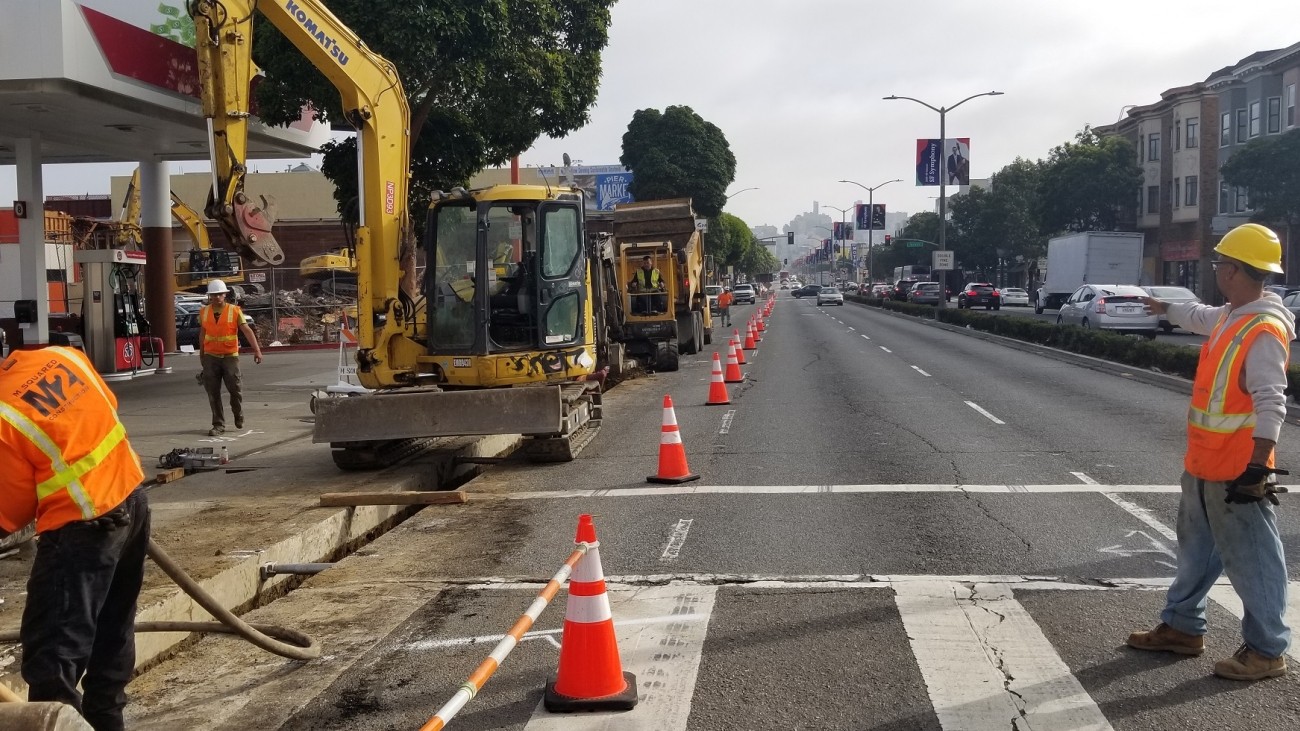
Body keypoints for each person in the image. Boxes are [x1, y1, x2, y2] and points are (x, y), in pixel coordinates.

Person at [1129, 223, 1295, 681]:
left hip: (1237, 469)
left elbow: (1271, 400)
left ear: (1236, 272)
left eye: (1221, 263)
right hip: (1204, 464)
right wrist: (1162, 306)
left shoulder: (1262, 327)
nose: (1217, 269)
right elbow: (1197, 316)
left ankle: (1267, 651)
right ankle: (1182, 628)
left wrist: (1258, 466)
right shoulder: (1232, 315)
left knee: (1255, 559)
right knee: (1196, 550)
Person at [0, 345, 150, 731]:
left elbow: (12, 510)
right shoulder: (63, 356)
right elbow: (102, 410)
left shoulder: (3, 415)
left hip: (81, 528)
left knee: (53, 657)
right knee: (112, 631)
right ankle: (107, 722)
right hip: (131, 501)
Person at [199, 279, 262, 436]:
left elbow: (247, 330)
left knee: (235, 389)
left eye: (220, 294)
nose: (217, 297)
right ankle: (218, 424)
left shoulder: (234, 310)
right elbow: (203, 334)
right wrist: (202, 354)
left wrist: (257, 350)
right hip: (210, 356)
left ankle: (237, 413)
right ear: (209, 296)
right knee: (213, 392)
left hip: (229, 356)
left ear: (225, 295)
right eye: (214, 295)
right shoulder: (204, 312)